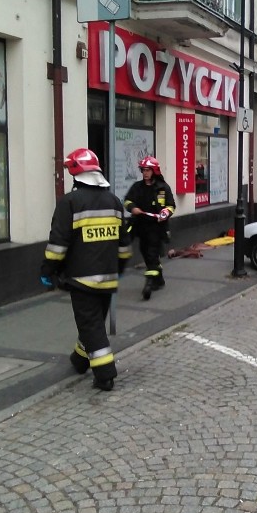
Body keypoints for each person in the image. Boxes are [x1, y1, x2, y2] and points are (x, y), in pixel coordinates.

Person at [40, 148, 132, 391]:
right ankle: (80, 360)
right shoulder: (114, 201)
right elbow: (124, 245)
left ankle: (105, 374)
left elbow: (58, 245)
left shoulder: (69, 203)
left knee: (90, 325)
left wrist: (48, 270)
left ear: (75, 174)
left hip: (82, 280)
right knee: (93, 323)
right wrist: (119, 269)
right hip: (108, 277)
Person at [124, 156, 176, 300]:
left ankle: (149, 284)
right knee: (145, 252)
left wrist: (164, 213)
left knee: (152, 254)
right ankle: (159, 280)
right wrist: (132, 208)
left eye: (148, 170)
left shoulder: (163, 188)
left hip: (156, 227)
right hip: (140, 226)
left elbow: (171, 205)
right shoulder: (137, 187)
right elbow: (127, 200)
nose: (145, 173)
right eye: (143, 170)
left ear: (154, 171)